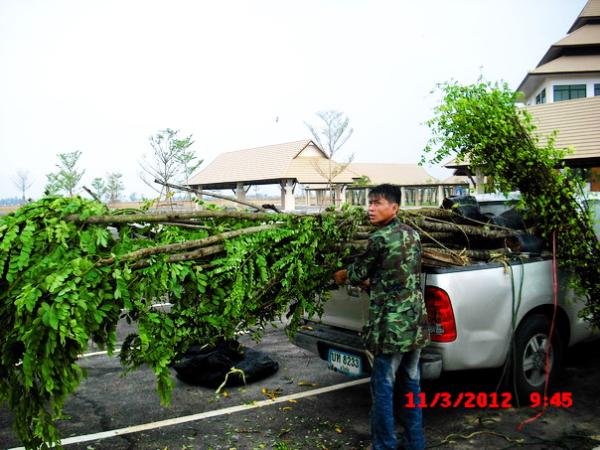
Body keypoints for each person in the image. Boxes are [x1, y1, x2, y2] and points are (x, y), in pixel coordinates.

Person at [333, 184, 430, 450]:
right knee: (411, 385)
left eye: (377, 203)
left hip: (392, 327)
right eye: (370, 203)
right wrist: (373, 284)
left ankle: (384, 445)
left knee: (383, 388)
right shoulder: (413, 234)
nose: (371, 208)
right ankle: (415, 443)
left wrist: (342, 275)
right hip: (415, 323)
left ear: (395, 207)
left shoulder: (380, 238)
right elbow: (398, 275)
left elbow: (357, 271)